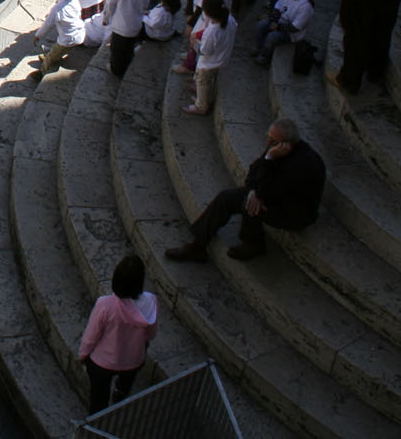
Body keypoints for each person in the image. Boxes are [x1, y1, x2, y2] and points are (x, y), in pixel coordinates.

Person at [166, 117, 326, 261]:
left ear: (287, 144)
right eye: (268, 139)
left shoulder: (301, 164)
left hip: (294, 213)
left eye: (273, 142)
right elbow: (252, 175)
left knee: (250, 204)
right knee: (226, 197)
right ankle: (197, 246)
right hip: (272, 194)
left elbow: (268, 191)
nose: (268, 144)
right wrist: (255, 188)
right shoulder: (276, 149)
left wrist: (267, 164)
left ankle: (253, 244)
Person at [75, 254, 158, 410]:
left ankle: (97, 425)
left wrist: (83, 354)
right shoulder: (151, 301)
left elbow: (91, 336)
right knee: (125, 384)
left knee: (98, 400)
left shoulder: (105, 305)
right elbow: (151, 334)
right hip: (133, 360)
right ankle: (120, 393)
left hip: (102, 363)